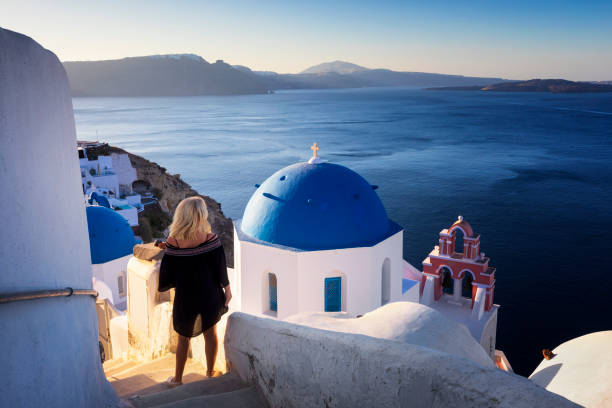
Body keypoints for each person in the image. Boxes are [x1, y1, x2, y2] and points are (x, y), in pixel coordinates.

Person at [157, 196, 232, 386]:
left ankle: (177, 379)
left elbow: (168, 272)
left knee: (183, 338)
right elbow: (220, 268)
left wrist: (168, 248)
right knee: (210, 332)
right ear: (201, 216)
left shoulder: (174, 243)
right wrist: (227, 290)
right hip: (210, 295)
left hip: (186, 297)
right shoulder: (211, 239)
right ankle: (210, 372)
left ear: (182, 216)